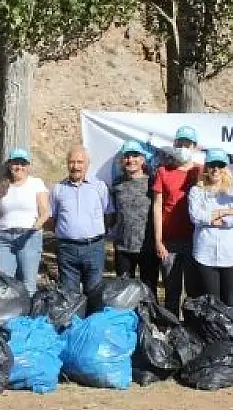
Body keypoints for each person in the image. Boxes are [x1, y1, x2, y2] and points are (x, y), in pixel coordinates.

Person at [152, 126, 203, 316]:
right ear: (174, 145)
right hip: (170, 242)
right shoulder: (163, 172)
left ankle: (191, 333)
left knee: (193, 292)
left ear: (195, 147)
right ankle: (172, 331)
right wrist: (158, 240)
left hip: (194, 241)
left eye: (187, 144)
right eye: (179, 143)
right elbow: (157, 206)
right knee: (171, 291)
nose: (183, 147)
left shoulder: (200, 172)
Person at [187, 148, 233, 308]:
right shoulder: (196, 191)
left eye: (220, 165)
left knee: (230, 303)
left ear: (225, 168)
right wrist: (227, 211)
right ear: (206, 167)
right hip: (205, 254)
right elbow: (196, 216)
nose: (215, 169)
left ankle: (230, 333)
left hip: (231, 255)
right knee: (211, 304)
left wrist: (213, 218)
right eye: (212, 165)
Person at [51, 145, 110, 293]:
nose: (75, 166)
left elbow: (109, 214)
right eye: (71, 162)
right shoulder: (58, 188)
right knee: (69, 295)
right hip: (67, 249)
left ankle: (92, 316)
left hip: (94, 248)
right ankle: (73, 317)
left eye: (79, 162)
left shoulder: (99, 187)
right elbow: (53, 218)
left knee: (94, 291)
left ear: (87, 164)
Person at [0, 148, 50, 294]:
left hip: (28, 236)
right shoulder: (2, 186)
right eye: (16, 163)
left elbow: (45, 212)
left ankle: (28, 316)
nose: (19, 167)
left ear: (28, 166)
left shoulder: (36, 183)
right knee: (4, 283)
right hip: (4, 238)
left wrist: (34, 228)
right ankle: (8, 315)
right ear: (9, 165)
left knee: (28, 284)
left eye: (23, 163)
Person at [109, 140, 158, 294]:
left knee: (148, 292)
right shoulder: (117, 184)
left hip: (147, 247)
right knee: (123, 292)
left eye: (135, 156)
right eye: (127, 156)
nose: (131, 160)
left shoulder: (152, 183)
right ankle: (127, 319)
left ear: (143, 159)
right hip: (123, 247)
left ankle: (149, 318)